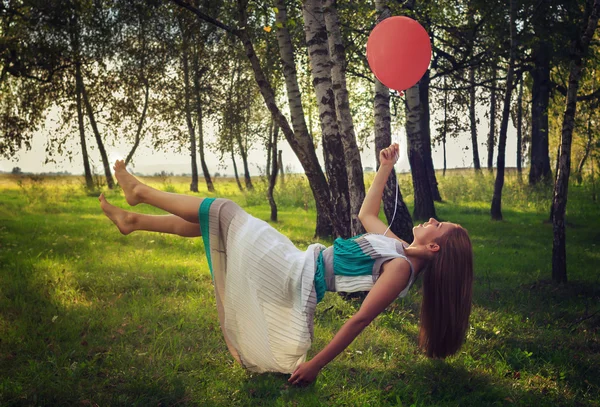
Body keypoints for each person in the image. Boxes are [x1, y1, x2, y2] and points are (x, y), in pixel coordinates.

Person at [99, 143, 473, 386]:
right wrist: (385, 168)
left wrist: (316, 365)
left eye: (437, 226)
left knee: (224, 211)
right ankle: (136, 222)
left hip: (294, 277)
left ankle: (141, 193)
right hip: (297, 262)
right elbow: (366, 213)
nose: (430, 220)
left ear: (437, 247)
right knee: (218, 226)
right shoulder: (400, 251)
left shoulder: (400, 268)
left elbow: (359, 321)